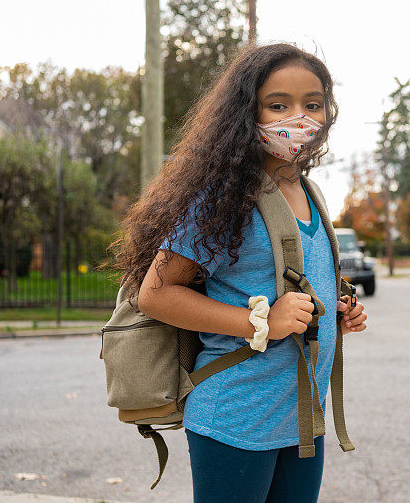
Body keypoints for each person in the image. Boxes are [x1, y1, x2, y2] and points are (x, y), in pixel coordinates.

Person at [109, 43, 368, 502]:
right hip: (236, 417)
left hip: (303, 417)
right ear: (246, 113)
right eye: (277, 105)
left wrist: (338, 311)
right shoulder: (220, 197)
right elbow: (156, 293)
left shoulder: (308, 191)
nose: (298, 117)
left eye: (312, 104)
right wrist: (260, 321)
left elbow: (285, 283)